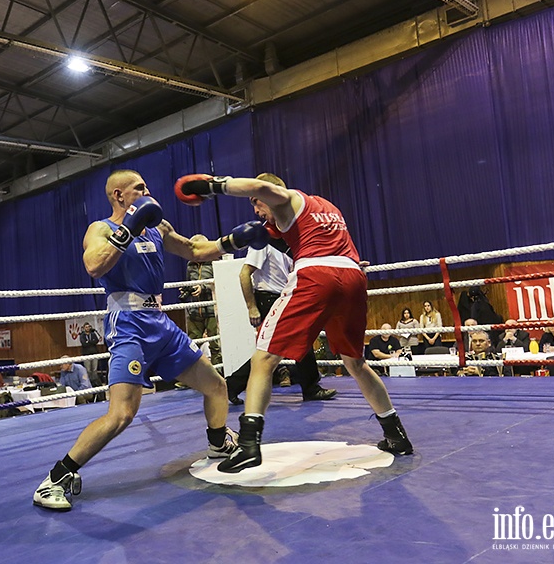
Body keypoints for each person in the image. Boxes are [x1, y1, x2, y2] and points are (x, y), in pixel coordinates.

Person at [33, 169, 264, 510]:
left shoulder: (158, 227)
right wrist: (129, 227)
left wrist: (233, 241)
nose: (147, 191)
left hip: (160, 322)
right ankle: (56, 478)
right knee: (122, 414)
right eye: (139, 187)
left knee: (217, 386)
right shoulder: (101, 228)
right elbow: (94, 265)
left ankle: (218, 443)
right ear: (119, 196)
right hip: (128, 323)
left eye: (146, 184)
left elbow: (194, 251)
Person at [175, 172, 413, 473]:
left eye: (255, 204)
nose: (256, 210)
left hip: (317, 276)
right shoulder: (323, 207)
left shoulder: (288, 199)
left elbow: (262, 187)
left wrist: (213, 186)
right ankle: (396, 435)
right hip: (353, 276)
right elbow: (305, 243)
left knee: (263, 358)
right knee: (355, 362)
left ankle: (249, 445)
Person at [226, 240, 337, 405]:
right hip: (268, 298)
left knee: (290, 344)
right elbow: (244, 273)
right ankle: (230, 386)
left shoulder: (287, 244)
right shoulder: (262, 242)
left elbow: (316, 257)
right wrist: (252, 307)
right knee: (276, 349)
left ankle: (230, 386)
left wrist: (350, 264)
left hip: (282, 297)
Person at [184, 238, 222, 365]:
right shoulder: (190, 265)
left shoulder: (215, 262)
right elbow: (189, 282)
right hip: (195, 310)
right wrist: (187, 289)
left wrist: (203, 287)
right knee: (191, 345)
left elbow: (219, 283)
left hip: (211, 309)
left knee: (215, 345)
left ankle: (219, 375)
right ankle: (188, 378)